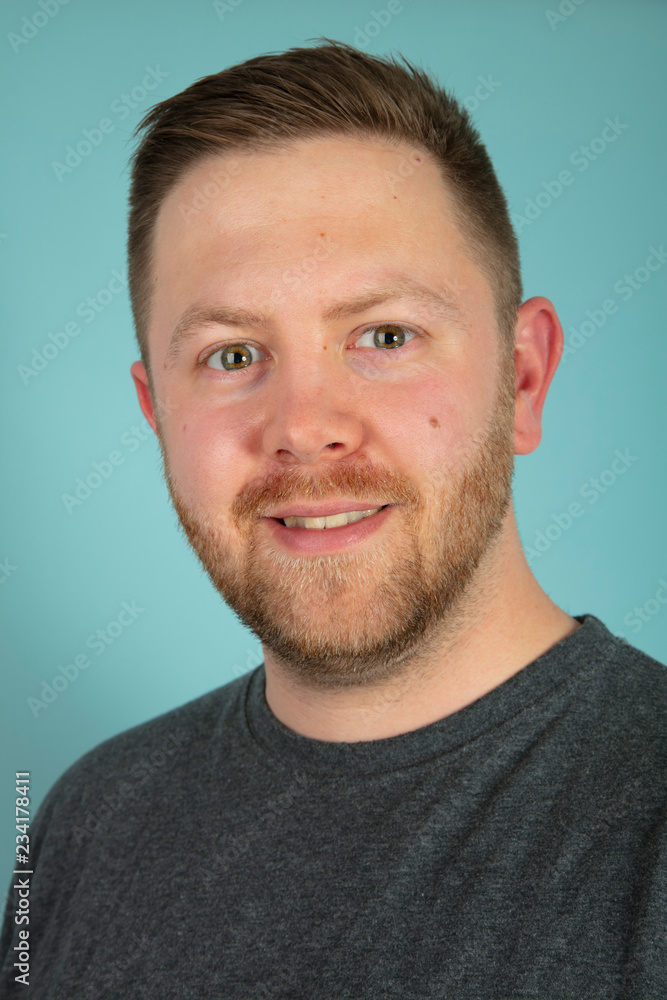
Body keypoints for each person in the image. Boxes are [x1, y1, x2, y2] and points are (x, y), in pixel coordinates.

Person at [2, 40, 665, 999]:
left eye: (384, 336)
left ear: (522, 379)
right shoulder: (84, 821)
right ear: (156, 415)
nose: (304, 430)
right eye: (231, 356)